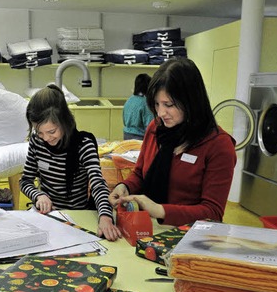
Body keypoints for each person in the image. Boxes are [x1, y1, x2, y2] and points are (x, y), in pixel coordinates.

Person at [109, 57, 237, 226]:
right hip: (146, 227)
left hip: (187, 237)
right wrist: (125, 187)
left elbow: (212, 212)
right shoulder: (155, 128)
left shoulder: (218, 145)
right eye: (156, 104)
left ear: (190, 101)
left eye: (168, 104)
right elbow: (140, 173)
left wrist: (159, 210)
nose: (161, 113)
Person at [20, 84, 122, 241]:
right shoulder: (36, 142)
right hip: (48, 215)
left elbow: (97, 183)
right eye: (39, 132)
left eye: (52, 132)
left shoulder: (83, 144)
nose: (46, 138)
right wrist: (39, 196)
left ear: (64, 122)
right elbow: (25, 181)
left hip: (77, 216)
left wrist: (105, 216)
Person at [122, 73, 153, 140]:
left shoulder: (130, 99)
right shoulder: (145, 103)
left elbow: (124, 120)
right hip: (139, 137)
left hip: (126, 135)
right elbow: (150, 125)